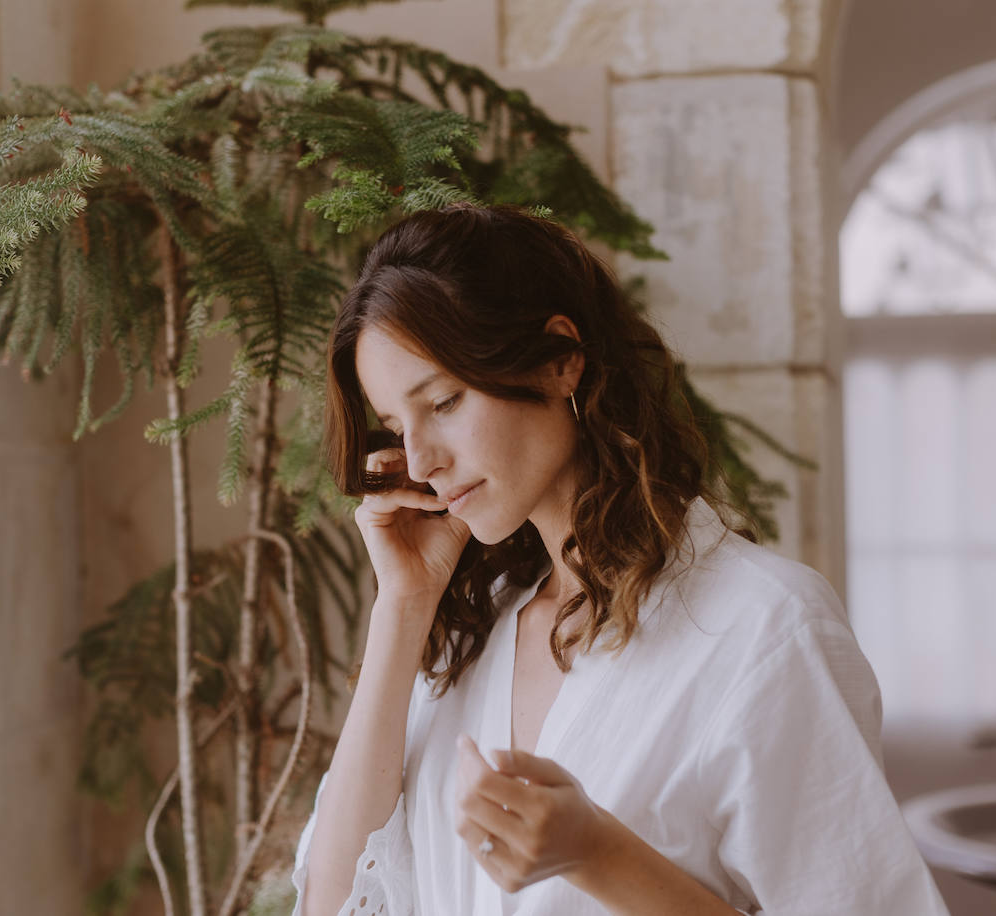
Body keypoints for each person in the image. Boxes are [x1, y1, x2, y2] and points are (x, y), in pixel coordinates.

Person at [291, 203, 950, 916]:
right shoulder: (464, 643)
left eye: (444, 401)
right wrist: (404, 605)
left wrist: (598, 854)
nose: (420, 460)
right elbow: (332, 904)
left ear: (558, 362)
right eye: (395, 426)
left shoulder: (763, 628)